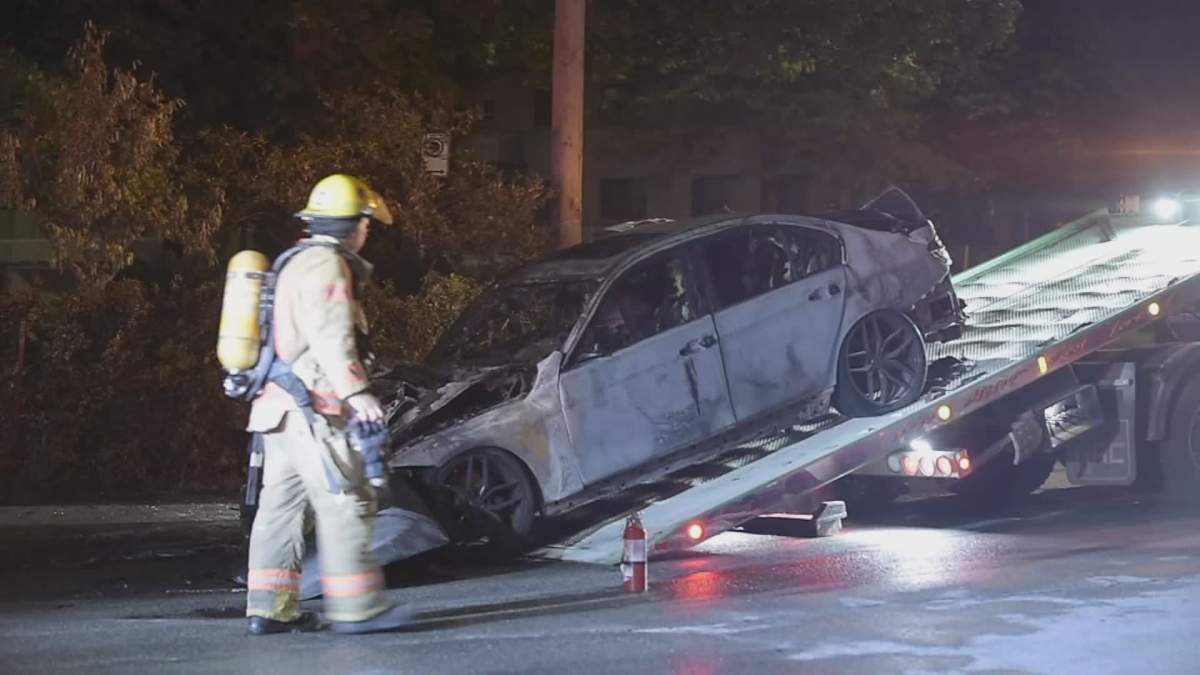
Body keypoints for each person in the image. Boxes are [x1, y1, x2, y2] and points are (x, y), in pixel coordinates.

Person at [243, 173, 414, 635]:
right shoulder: (327, 266)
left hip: (276, 409)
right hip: (313, 410)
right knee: (347, 501)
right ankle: (358, 608)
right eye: (366, 224)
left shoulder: (292, 261)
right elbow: (330, 335)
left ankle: (269, 608)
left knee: (280, 509)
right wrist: (356, 391)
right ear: (352, 225)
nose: (367, 232)